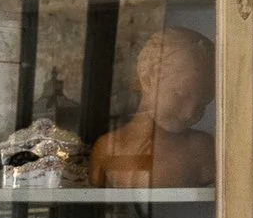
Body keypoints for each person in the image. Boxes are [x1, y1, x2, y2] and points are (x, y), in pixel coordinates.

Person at [88, 22, 216, 190]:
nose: (189, 113)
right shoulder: (106, 147)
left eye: (203, 103)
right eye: (181, 95)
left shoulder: (203, 149)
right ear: (148, 79)